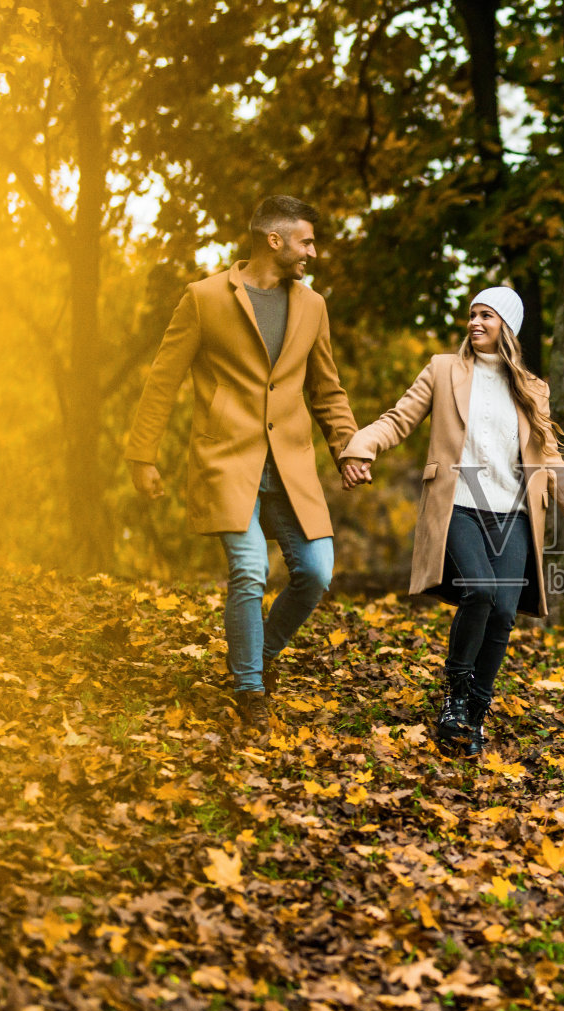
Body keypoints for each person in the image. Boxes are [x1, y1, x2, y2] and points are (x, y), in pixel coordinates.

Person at [124, 195, 362, 735]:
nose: (314, 252)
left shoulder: (313, 306)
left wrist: (346, 447)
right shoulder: (204, 299)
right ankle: (249, 688)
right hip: (226, 460)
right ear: (273, 240)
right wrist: (143, 454)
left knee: (317, 571)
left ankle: (262, 652)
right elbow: (162, 380)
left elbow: (328, 389)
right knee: (250, 570)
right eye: (306, 241)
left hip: (291, 466)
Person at [341, 287, 564, 757]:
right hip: (459, 504)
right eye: (472, 314)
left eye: (487, 315)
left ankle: (477, 714)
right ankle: (455, 699)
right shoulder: (444, 370)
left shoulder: (531, 389)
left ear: (507, 326)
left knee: (504, 613)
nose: (475, 322)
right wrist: (362, 446)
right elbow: (397, 419)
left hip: (514, 514)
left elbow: (551, 462)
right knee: (479, 591)